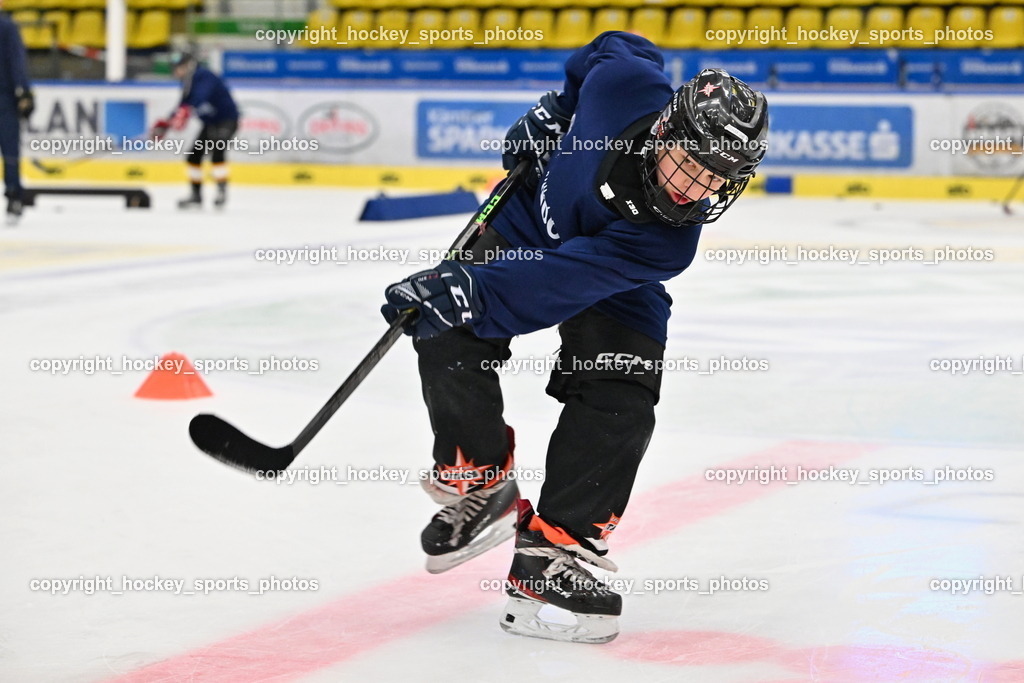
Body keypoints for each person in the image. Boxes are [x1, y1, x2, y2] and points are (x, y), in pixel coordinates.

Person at [380, 31, 769, 643]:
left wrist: (475, 291)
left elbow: (557, 283)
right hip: (530, 216)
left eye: (717, 178)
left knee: (622, 396)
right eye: (690, 165)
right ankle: (481, 479)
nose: (696, 189)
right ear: (664, 131)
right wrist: (558, 108)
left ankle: (552, 552)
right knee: (444, 322)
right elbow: (617, 44)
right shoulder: (625, 86)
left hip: (612, 271)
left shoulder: (668, 241)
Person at [151, 51, 239, 210]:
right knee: (193, 157)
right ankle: (196, 195)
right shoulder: (188, 81)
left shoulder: (204, 75)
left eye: (178, 67)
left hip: (226, 121)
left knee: (217, 149)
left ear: (188, 65)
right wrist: (166, 124)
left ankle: (221, 191)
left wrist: (186, 109)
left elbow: (200, 96)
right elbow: (183, 104)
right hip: (210, 123)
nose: (175, 71)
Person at [0, 1, 34, 225]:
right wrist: (24, 91)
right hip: (5, 98)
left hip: (4, 98)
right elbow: (17, 60)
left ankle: (14, 196)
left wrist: (23, 92)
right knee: (10, 150)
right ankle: (14, 197)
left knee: (10, 150)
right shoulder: (7, 26)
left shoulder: (6, 27)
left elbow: (16, 60)